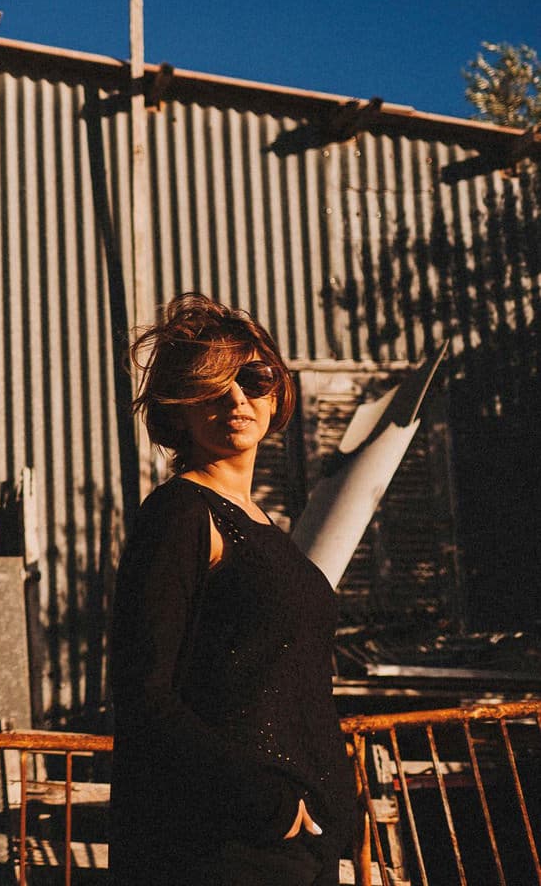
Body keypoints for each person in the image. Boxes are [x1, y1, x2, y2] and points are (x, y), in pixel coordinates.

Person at [108, 293, 357, 886]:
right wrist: (266, 804)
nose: (237, 399)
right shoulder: (180, 514)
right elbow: (144, 694)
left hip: (302, 844)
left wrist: (330, 809)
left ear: (277, 392)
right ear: (179, 408)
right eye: (212, 385)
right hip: (227, 845)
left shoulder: (265, 525)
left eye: (254, 378)